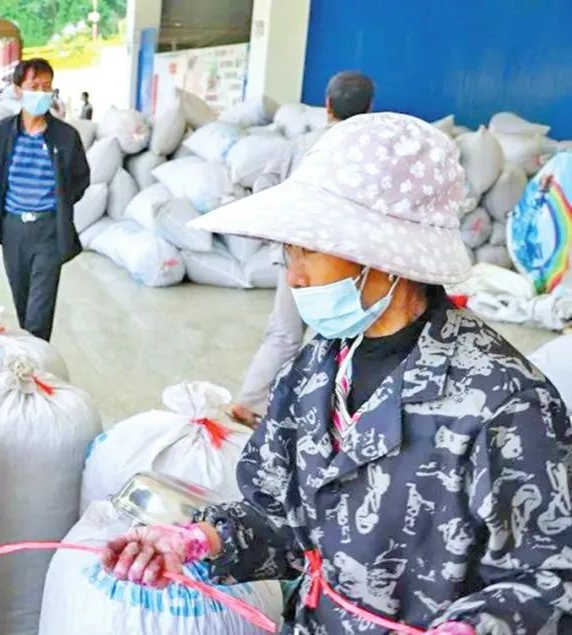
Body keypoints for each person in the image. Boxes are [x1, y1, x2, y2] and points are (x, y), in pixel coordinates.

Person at [102, 113, 572, 634]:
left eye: (309, 250)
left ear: (384, 254)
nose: (294, 273)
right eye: (288, 251)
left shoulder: (503, 402)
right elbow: (283, 520)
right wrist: (199, 539)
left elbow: (549, 577)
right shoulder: (315, 371)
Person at [232, 71, 375, 425]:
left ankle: (250, 402)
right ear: (370, 108)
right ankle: (325, 418)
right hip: (347, 263)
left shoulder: (300, 145)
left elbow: (265, 187)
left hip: (297, 259)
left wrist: (286, 234)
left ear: (327, 105)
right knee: (343, 337)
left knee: (284, 332)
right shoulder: (370, 153)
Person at [0, 58, 90, 341]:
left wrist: (57, 203)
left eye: (47, 86)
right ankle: (28, 361)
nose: (42, 92)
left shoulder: (66, 136)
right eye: (35, 86)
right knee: (22, 306)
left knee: (38, 313)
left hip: (48, 230)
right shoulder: (3, 133)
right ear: (19, 90)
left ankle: (37, 369)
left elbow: (80, 179)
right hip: (13, 229)